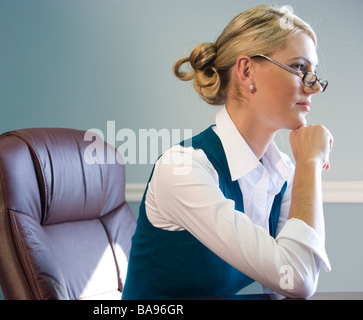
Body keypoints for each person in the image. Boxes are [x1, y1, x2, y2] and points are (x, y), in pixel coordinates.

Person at [122, 4, 333, 300]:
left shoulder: (281, 172)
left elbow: (288, 287)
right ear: (247, 71)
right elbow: (296, 279)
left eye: (313, 73)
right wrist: (311, 162)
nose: (314, 88)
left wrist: (303, 169)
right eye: (299, 68)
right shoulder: (183, 170)